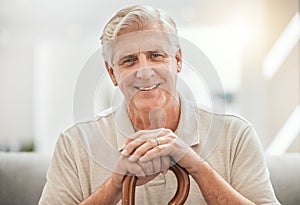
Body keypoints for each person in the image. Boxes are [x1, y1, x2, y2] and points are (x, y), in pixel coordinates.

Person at [39, 5, 280, 205]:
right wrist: (115, 185)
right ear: (112, 74)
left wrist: (195, 166)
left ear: (177, 60)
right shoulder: (74, 143)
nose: (144, 72)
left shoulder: (236, 135)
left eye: (156, 55)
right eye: (129, 61)